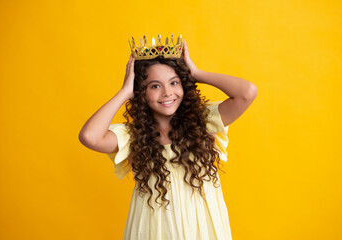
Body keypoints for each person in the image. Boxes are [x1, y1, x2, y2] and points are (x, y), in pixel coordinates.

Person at [79, 39, 258, 240]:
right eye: (155, 86)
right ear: (141, 92)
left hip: (201, 227)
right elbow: (89, 137)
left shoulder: (204, 122)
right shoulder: (132, 136)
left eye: (174, 82)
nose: (167, 93)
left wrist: (196, 74)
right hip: (154, 229)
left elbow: (247, 92)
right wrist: (124, 93)